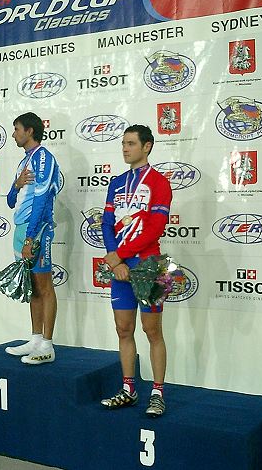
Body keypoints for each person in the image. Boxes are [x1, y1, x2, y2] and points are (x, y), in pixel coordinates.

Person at [100, 124, 172, 417]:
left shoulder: (159, 182)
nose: (125, 149)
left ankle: (158, 393)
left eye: (131, 143)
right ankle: (128, 389)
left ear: (147, 146)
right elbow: (106, 223)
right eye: (123, 144)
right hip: (120, 266)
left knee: (152, 330)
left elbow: (155, 229)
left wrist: (119, 255)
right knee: (123, 329)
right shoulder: (116, 183)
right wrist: (115, 261)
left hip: (148, 265)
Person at [4, 112, 60, 365]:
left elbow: (42, 199)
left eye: (17, 129)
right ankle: (36, 339)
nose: (13, 134)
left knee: (44, 286)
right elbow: (10, 201)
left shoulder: (43, 157)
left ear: (30, 131)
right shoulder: (24, 161)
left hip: (37, 229)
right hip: (21, 226)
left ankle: (47, 344)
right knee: (33, 286)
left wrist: (30, 238)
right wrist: (15, 185)